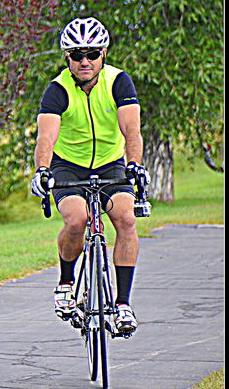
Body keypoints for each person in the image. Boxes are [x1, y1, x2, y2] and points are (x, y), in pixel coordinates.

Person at [31, 17, 150, 335]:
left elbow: (132, 131)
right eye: (77, 54)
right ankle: (66, 284)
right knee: (75, 220)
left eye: (92, 54)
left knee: (126, 218)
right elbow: (46, 139)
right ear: (66, 57)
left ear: (104, 53)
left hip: (111, 164)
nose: (85, 61)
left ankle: (122, 305)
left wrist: (134, 163)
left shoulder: (118, 82)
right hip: (68, 166)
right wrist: (42, 170)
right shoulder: (57, 90)